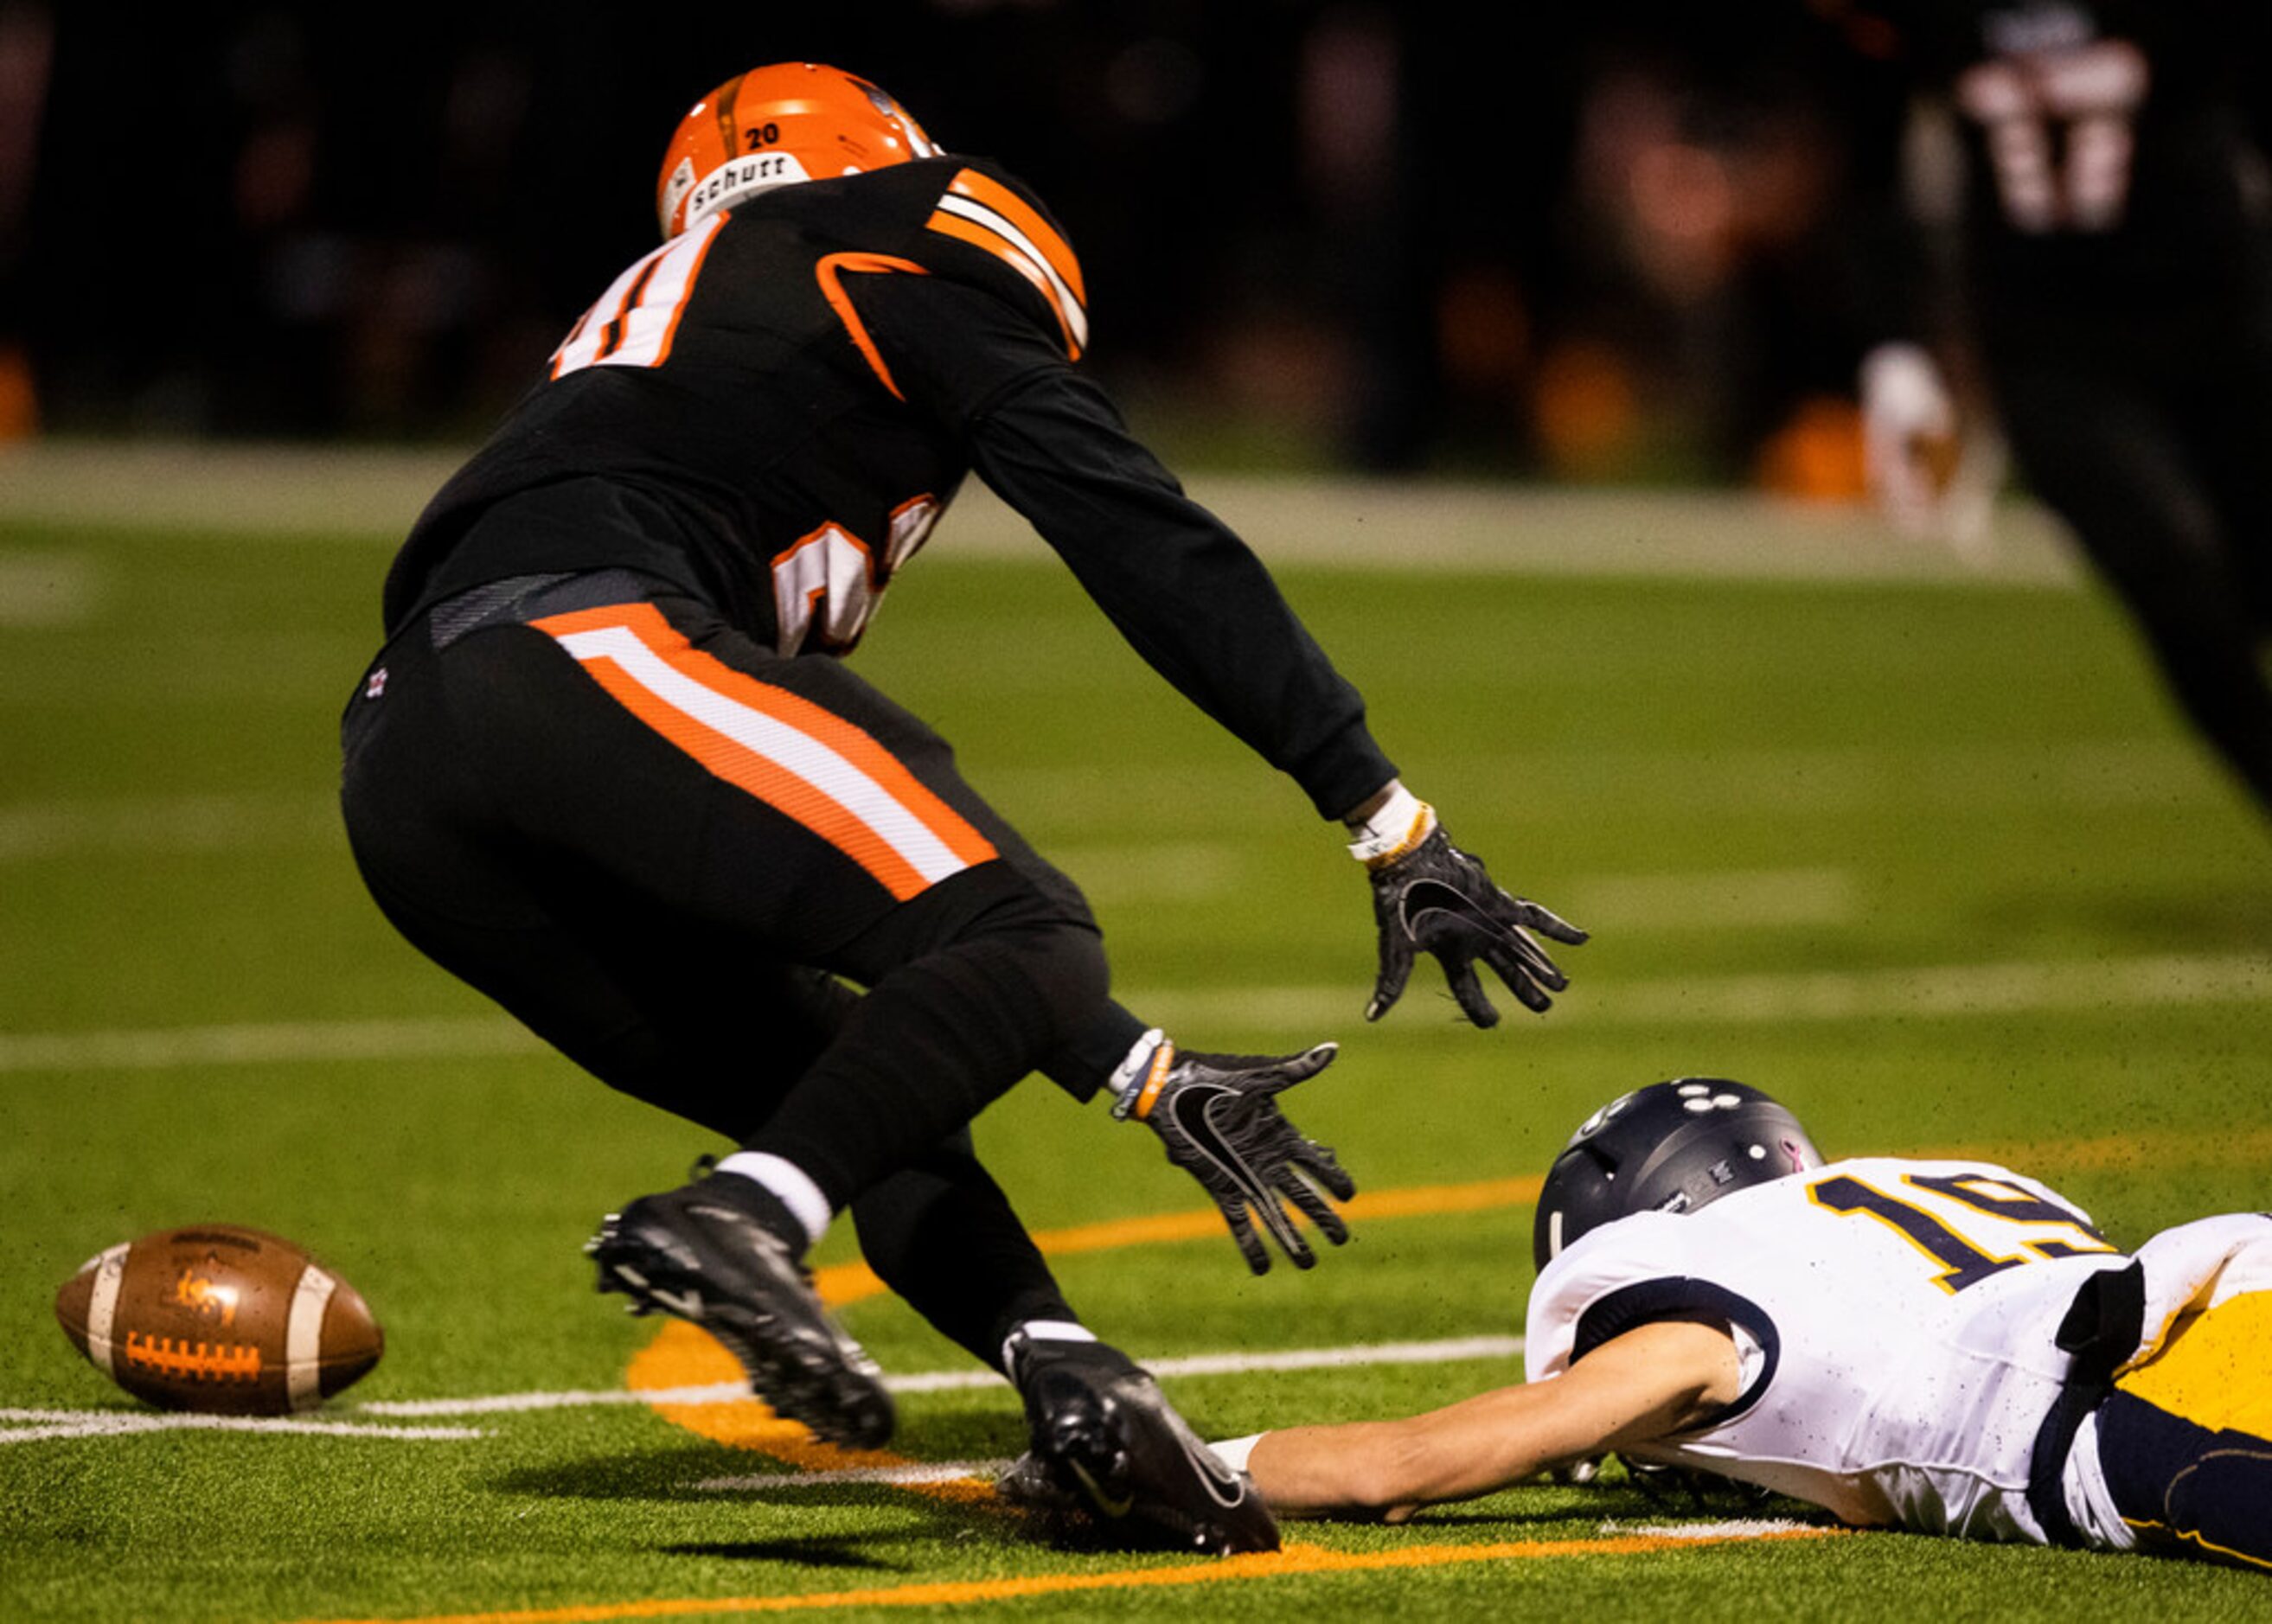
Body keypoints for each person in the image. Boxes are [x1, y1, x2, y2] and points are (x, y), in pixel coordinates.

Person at [335, 62, 1584, 1557]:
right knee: (1028, 928)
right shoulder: (898, 222)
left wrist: (1140, 1070)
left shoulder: (691, 318)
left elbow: (862, 925)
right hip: (582, 648)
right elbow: (1124, 517)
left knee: (873, 1081)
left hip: (408, 765)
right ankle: (741, 1218)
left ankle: (1065, 1372)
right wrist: (1381, 813)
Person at [1195, 1077, 2272, 1571]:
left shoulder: (1698, 1318)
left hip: (2133, 1411)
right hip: (2217, 1286)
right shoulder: (1917, 1190)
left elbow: (1408, 1463)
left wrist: (1189, 1461)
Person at [1812, 0, 2272, 817]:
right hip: (2047, 349)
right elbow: (1867, 162)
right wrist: (1895, 349)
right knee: (2170, 577)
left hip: (2216, 321)